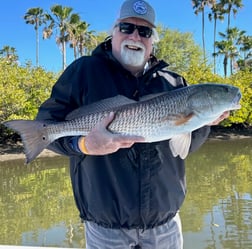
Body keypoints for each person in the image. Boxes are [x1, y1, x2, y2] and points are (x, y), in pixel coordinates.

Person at [36, 0, 229, 248]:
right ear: (113, 32)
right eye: (126, 27)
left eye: (145, 31)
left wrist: (204, 122)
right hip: (105, 226)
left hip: (165, 223)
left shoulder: (174, 82)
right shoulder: (84, 71)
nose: (135, 36)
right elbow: (44, 127)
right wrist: (83, 144)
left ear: (152, 40)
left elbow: (182, 148)